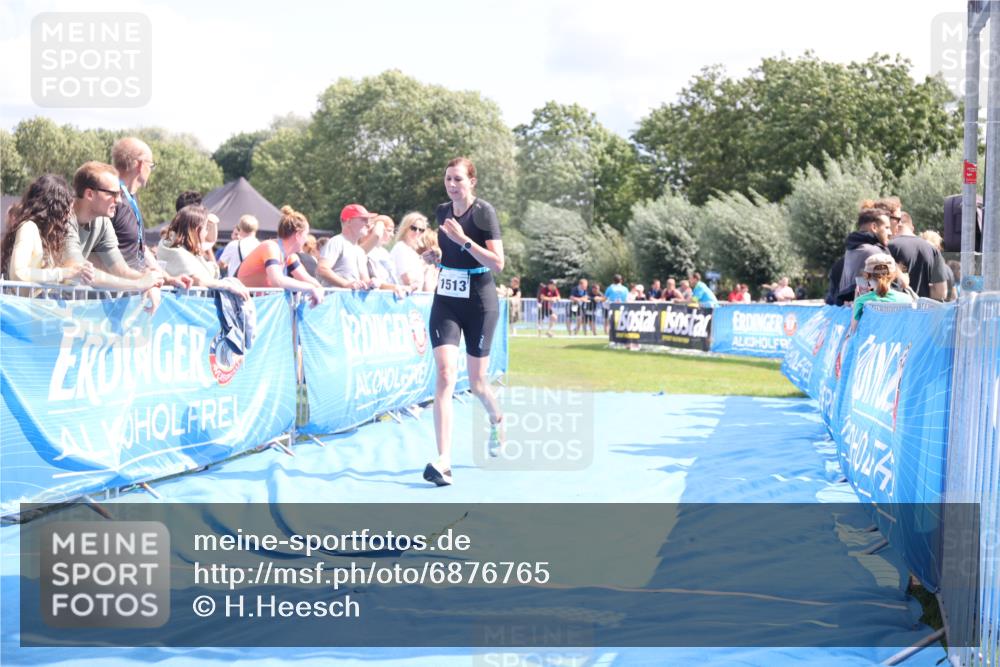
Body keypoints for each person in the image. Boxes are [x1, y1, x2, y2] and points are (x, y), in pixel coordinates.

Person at [423, 157, 505, 487]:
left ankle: (497, 418)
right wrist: (435, 257)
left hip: (480, 302)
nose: (452, 185)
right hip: (447, 299)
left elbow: (498, 264)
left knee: (477, 383)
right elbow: (448, 254)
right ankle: (444, 461)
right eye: (447, 179)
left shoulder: (483, 212)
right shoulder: (442, 212)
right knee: (444, 373)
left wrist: (464, 241)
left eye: (458, 179)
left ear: (471, 181)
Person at [63, 161, 165, 299]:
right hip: (32, 306)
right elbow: (80, 271)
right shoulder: (62, 218)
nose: (119, 201)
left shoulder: (102, 222)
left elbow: (120, 270)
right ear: (89, 194)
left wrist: (151, 280)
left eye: (120, 194)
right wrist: (139, 284)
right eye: (113, 194)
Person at [1, 174, 92, 284]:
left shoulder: (48, 237)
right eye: (66, 207)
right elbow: (18, 273)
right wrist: (63, 273)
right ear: (55, 208)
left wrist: (77, 272)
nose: (69, 214)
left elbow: (47, 279)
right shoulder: (28, 228)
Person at [236, 205, 324, 306]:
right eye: (306, 234)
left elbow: (308, 279)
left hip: (258, 305)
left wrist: (319, 288)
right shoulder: (270, 247)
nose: (306, 239)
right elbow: (277, 280)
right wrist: (310, 288)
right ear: (298, 235)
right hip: (244, 306)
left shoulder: (290, 256)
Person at [157, 205, 250, 300]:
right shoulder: (172, 247)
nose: (206, 233)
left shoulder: (180, 245)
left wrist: (212, 223)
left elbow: (210, 240)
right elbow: (198, 281)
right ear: (197, 230)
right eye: (206, 228)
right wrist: (228, 286)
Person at [836, 207, 892, 304]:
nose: (890, 233)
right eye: (886, 228)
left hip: (854, 311)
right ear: (874, 227)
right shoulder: (875, 252)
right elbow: (890, 292)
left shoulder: (851, 249)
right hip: (874, 312)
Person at [889, 212, 948, 301]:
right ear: (912, 227)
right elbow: (941, 293)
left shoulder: (887, 247)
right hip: (923, 312)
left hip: (895, 311)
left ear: (897, 225)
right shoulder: (933, 250)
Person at [317, 203, 377, 290]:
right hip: (335, 300)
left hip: (349, 301)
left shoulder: (359, 251)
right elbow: (322, 269)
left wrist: (372, 283)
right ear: (348, 221)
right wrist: (346, 284)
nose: (368, 223)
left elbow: (365, 281)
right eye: (363, 219)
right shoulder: (337, 242)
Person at [851, 253, 914, 328]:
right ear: (893, 275)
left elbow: (853, 329)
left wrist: (856, 299)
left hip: (871, 339)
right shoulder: (907, 299)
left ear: (867, 276)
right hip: (897, 339)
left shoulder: (861, 301)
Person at [391, 212, 429, 289]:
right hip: (403, 297)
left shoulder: (412, 251)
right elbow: (407, 280)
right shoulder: (401, 247)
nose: (417, 232)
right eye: (414, 228)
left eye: (421, 230)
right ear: (406, 228)